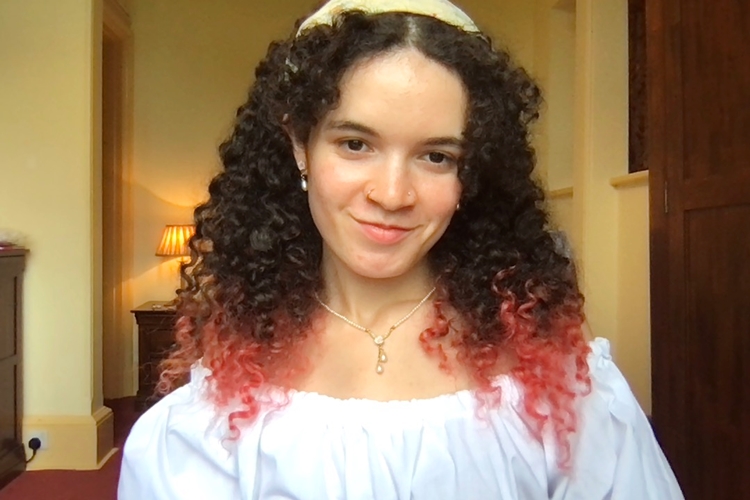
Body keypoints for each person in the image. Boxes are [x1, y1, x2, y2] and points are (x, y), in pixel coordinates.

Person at [118, 1, 684, 498]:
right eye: (355, 144)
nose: (392, 195)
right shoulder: (219, 403)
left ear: (471, 172)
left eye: (436, 156)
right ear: (300, 145)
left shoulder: (552, 380)